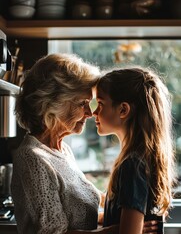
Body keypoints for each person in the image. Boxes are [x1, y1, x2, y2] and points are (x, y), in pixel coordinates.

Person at [11, 53, 158, 234]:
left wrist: (133, 218)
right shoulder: (31, 158)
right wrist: (121, 231)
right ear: (56, 103)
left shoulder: (63, 151)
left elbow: (76, 216)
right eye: (83, 103)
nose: (90, 113)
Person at [93, 67, 177, 234]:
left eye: (100, 104)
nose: (94, 112)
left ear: (123, 110)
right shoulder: (139, 159)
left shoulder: (133, 164)